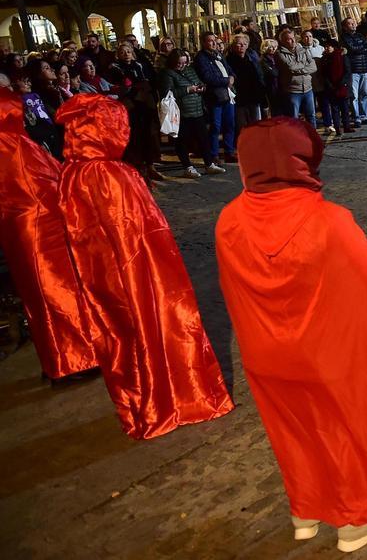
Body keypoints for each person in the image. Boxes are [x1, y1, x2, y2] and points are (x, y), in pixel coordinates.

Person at [214, 118, 367, 551]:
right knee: (344, 426)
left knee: (293, 429)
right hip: (330, 353)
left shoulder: (228, 221)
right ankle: (356, 520)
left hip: (265, 353)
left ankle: (307, 508)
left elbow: (233, 294)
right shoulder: (331, 221)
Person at [56, 93, 234, 439]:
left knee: (120, 337)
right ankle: (175, 400)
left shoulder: (72, 172)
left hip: (103, 280)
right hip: (137, 275)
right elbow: (138, 237)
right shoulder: (111, 175)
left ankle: (142, 405)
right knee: (155, 327)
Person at [0, 88, 97, 382]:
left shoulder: (13, 145)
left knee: (38, 295)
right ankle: (73, 360)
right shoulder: (14, 146)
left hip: (21, 228)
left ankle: (57, 358)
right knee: (55, 290)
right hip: (38, 227)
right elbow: (46, 182)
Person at [160, 49, 225, 177]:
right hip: (181, 112)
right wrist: (188, 90)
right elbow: (168, 93)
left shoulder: (190, 70)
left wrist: (201, 87)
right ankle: (187, 166)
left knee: (203, 139)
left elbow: (199, 81)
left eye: (185, 63)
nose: (182, 66)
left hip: (197, 109)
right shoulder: (167, 74)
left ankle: (209, 164)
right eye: (179, 63)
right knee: (182, 141)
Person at [107, 41, 163, 178]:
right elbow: (123, 85)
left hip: (145, 105)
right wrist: (136, 87)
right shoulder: (115, 68)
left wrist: (141, 86)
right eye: (122, 52)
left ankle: (150, 165)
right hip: (131, 107)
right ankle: (139, 167)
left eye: (128, 52)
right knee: (135, 137)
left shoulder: (139, 65)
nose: (126, 54)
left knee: (149, 135)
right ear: (118, 55)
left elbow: (148, 81)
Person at [194, 32, 238, 165]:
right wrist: (226, 81)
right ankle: (213, 154)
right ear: (203, 42)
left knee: (230, 124)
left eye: (215, 41)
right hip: (215, 97)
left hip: (227, 94)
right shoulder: (201, 58)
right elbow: (207, 77)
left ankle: (229, 151)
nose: (213, 43)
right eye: (210, 41)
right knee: (215, 126)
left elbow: (229, 69)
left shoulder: (219, 55)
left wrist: (232, 77)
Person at [276, 27, 318, 126]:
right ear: (283, 41)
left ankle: (313, 139)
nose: (293, 40)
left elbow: (313, 67)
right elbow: (290, 67)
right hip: (293, 91)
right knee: (294, 118)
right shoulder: (280, 54)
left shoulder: (303, 50)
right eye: (289, 39)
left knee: (311, 116)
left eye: (293, 37)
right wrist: (304, 66)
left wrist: (299, 68)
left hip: (308, 88)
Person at [226, 34, 265, 131]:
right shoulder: (228, 60)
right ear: (233, 45)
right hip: (239, 98)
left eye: (244, 43)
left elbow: (258, 77)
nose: (242, 46)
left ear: (248, 45)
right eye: (239, 44)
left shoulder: (252, 59)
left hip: (253, 97)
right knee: (242, 126)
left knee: (256, 124)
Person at [342, 16, 367, 127]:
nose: (353, 25)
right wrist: (361, 49)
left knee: (365, 93)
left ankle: (364, 116)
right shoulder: (344, 38)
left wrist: (360, 49)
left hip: (364, 68)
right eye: (350, 23)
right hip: (353, 69)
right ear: (345, 27)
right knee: (354, 95)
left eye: (354, 23)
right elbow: (352, 48)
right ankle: (356, 117)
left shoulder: (360, 36)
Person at [318, 38, 353, 136]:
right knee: (335, 109)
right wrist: (330, 85)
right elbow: (324, 74)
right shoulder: (325, 58)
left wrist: (342, 83)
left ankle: (346, 126)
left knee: (345, 108)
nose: (327, 48)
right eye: (325, 47)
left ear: (334, 47)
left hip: (342, 87)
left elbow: (347, 71)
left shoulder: (342, 56)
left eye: (329, 46)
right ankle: (338, 128)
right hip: (331, 88)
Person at [259, 38, 283, 116]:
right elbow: (273, 73)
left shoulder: (276, 57)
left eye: (275, 47)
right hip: (271, 86)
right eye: (271, 47)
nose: (274, 49)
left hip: (280, 85)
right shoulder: (263, 60)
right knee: (275, 107)